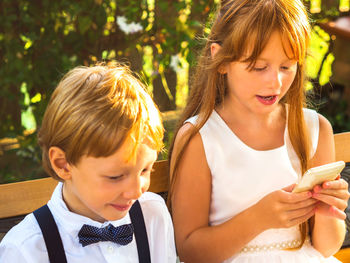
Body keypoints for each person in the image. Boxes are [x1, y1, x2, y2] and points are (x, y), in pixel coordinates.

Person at [169, 0, 350, 262]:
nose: (275, 81)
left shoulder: (314, 129)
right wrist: (258, 219)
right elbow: (189, 250)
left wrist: (327, 209)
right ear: (220, 59)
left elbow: (325, 248)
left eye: (286, 66)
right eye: (258, 67)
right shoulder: (201, 137)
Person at [0, 62, 177, 263]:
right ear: (63, 164)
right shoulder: (25, 251)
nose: (137, 191)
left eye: (145, 170)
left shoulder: (152, 215)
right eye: (115, 176)